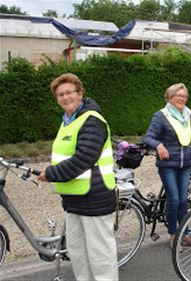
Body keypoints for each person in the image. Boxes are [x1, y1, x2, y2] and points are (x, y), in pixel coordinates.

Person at [37, 73, 118, 281]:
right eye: (60, 94)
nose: (65, 98)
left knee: (100, 256)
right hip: (73, 200)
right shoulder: (67, 121)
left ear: (80, 94)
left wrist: (51, 174)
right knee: (78, 255)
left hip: (95, 198)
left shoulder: (92, 120)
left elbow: (83, 159)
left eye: (69, 93)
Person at [144, 83, 191, 248]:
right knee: (173, 200)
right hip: (168, 165)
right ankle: (173, 235)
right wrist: (159, 146)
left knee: (183, 201)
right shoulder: (161, 116)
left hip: (185, 163)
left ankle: (184, 233)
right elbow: (148, 137)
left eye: (184, 96)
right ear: (170, 98)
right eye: (178, 96)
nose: (182, 99)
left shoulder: (187, 115)